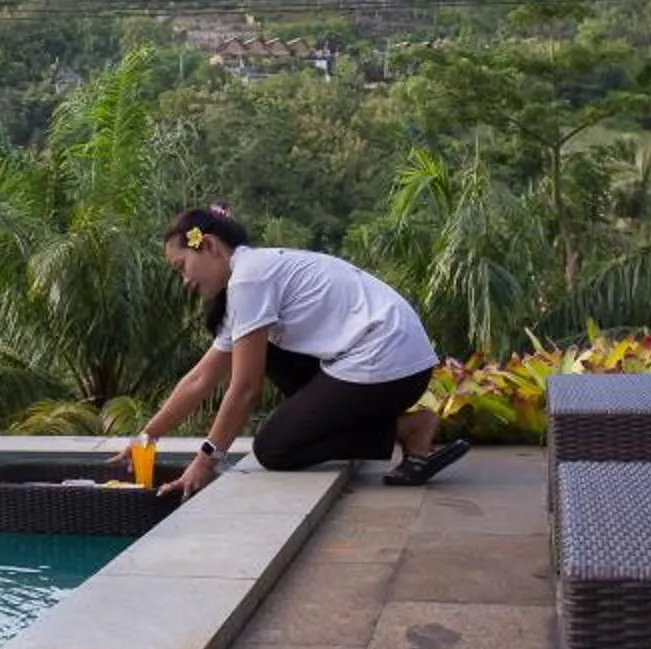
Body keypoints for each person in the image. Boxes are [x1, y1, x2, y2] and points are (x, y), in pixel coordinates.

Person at [129, 206, 469, 496]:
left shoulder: (250, 279)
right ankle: (395, 427)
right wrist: (147, 436)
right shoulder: (248, 279)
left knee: (274, 448)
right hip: (391, 363)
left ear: (209, 246)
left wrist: (206, 461)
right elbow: (202, 377)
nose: (184, 280)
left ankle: (408, 429)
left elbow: (246, 390)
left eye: (181, 266)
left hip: (389, 365)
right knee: (266, 351)